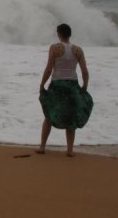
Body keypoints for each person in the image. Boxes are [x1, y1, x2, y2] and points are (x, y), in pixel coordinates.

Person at [37, 24, 93, 157]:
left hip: (57, 85)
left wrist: (42, 84)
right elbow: (84, 71)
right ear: (69, 34)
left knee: (49, 115)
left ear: (59, 33)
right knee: (71, 119)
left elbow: (49, 68)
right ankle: (69, 150)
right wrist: (85, 86)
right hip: (72, 86)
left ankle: (42, 147)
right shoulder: (78, 50)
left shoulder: (54, 48)